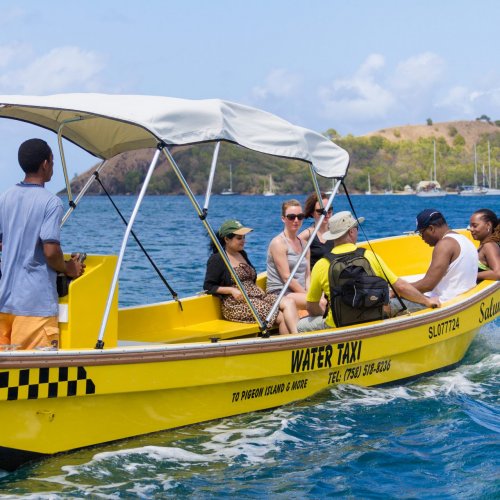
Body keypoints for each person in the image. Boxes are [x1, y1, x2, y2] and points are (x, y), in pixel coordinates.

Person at [0, 138, 85, 350]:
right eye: (52, 162)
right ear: (45, 164)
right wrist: (69, 268)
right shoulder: (51, 202)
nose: (52, 167)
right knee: (35, 368)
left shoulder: (6, 197)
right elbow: (51, 251)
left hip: (4, 302)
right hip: (34, 306)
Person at [298, 211, 440, 332]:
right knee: (411, 305)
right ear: (351, 232)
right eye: (356, 229)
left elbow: (311, 305)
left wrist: (326, 315)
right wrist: (427, 301)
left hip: (337, 325)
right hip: (373, 318)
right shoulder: (369, 256)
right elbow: (400, 287)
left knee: (300, 325)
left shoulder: (322, 264)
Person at [204, 219, 298, 334]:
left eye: (244, 237)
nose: (243, 241)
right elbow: (208, 286)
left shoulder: (242, 254)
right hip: (236, 304)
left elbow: (250, 279)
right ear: (227, 239)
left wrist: (258, 289)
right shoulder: (218, 259)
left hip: (257, 297)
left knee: (289, 302)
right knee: (281, 317)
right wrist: (231, 290)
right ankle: (294, 339)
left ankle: (299, 336)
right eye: (239, 238)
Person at [411, 209, 478, 300]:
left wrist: (399, 290)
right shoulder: (464, 240)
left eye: (421, 233)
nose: (422, 238)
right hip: (464, 298)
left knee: (392, 302)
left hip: (445, 302)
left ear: (431, 228)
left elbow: (427, 285)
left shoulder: (444, 244)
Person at [266, 199, 311, 310]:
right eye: (291, 217)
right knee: (319, 302)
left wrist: (309, 292)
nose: (296, 220)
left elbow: (307, 276)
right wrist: (308, 296)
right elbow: (287, 278)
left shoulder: (305, 244)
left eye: (300, 217)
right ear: (283, 219)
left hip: (299, 293)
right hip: (280, 292)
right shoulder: (278, 243)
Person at [299, 192, 335, 269]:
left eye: (329, 210)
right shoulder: (306, 235)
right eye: (321, 212)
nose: (326, 214)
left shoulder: (337, 233)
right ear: (312, 213)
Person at [468, 208, 500, 281]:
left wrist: (469, 276)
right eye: (470, 226)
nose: (471, 229)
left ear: (488, 225)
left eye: (475, 226)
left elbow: (498, 273)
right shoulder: (486, 244)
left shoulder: (489, 245)